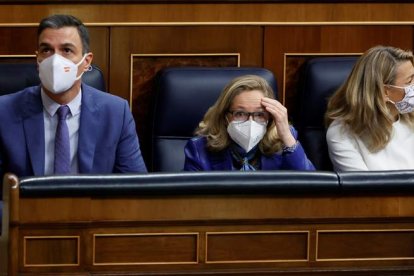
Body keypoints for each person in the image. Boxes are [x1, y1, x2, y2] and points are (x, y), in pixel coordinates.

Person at [0, 14, 147, 179]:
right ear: (38, 59)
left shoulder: (116, 113)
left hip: (92, 205)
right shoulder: (4, 112)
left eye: (67, 50)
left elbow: (136, 190)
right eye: (46, 50)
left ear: (86, 62)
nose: (55, 60)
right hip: (25, 205)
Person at [183, 75, 315, 171]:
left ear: (270, 118)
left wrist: (286, 136)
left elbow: (312, 189)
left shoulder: (284, 141)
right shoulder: (199, 149)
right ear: (225, 116)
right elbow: (190, 202)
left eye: (259, 114)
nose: (250, 122)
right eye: (240, 114)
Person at [326, 45, 414, 171]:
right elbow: (364, 187)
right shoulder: (342, 133)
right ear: (384, 92)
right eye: (409, 81)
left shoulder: (410, 118)